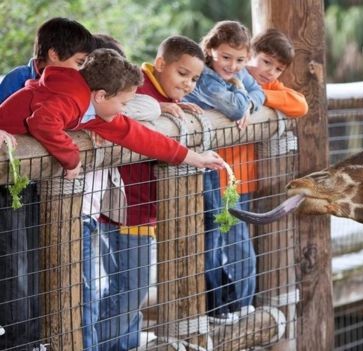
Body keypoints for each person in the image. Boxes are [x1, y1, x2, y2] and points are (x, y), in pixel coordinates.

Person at [0, 48, 226, 350]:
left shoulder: (95, 110)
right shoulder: (73, 99)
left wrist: (195, 158)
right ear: (102, 96)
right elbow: (42, 121)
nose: (125, 109)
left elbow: (144, 138)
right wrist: (71, 158)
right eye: (123, 102)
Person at [96, 35, 206, 350]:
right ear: (160, 64)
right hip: (127, 208)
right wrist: (160, 107)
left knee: (132, 291)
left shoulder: (157, 94)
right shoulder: (137, 89)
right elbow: (125, 113)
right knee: (131, 288)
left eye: (194, 78)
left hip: (144, 208)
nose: (188, 84)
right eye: (182, 74)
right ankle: (108, 346)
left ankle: (125, 344)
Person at [0, 17, 95, 350]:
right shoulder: (20, 79)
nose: (81, 70)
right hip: (9, 182)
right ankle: (18, 340)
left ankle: (35, 335)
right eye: (79, 62)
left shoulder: (66, 85)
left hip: (37, 182)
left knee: (35, 252)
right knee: (15, 257)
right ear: (54, 54)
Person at [184, 20, 264, 323]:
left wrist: (248, 104)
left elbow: (259, 94)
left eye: (241, 60)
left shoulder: (236, 74)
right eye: (226, 57)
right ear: (211, 51)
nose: (233, 66)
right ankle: (215, 305)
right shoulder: (204, 77)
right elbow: (233, 108)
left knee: (226, 234)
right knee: (212, 235)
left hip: (223, 171)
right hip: (200, 168)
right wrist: (244, 100)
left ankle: (234, 303)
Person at [246, 28, 308, 119]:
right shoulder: (233, 76)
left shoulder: (269, 85)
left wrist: (260, 95)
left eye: (278, 69)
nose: (271, 72)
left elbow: (302, 106)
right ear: (249, 55)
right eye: (267, 62)